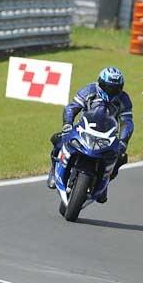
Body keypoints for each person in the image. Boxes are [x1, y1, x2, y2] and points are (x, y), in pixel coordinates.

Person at [47, 67, 133, 203]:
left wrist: (123, 141)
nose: (111, 91)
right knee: (58, 139)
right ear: (100, 83)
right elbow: (72, 107)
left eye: (115, 89)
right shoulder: (89, 90)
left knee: (121, 157)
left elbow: (127, 122)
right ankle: (54, 170)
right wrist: (67, 124)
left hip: (107, 135)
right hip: (84, 128)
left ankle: (104, 184)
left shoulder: (124, 99)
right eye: (107, 87)